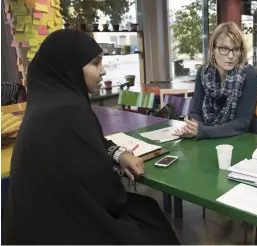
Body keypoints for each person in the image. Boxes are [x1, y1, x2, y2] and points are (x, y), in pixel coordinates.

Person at [3, 29, 179, 245]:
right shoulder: (69, 111)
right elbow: (109, 194)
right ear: (70, 67)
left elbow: (90, 146)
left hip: (33, 227)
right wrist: (115, 170)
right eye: (96, 63)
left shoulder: (45, 103)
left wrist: (118, 155)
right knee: (151, 221)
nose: (103, 70)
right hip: (66, 229)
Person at [173, 22, 257, 139]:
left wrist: (202, 131)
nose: (231, 55)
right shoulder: (203, 73)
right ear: (213, 49)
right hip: (211, 138)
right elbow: (196, 112)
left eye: (236, 49)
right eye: (224, 49)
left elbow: (241, 123)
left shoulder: (251, 75)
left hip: (249, 139)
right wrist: (192, 127)